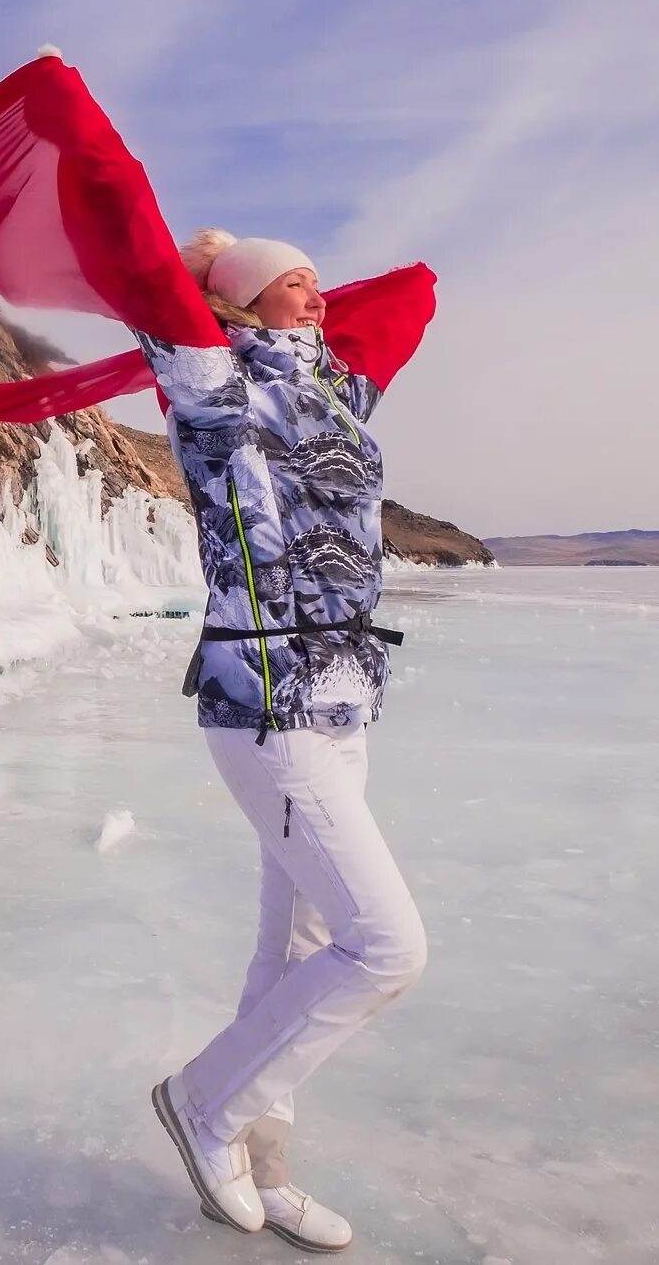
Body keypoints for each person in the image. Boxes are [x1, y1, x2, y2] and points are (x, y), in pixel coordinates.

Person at [132, 229, 429, 1254]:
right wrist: (195, 261)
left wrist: (375, 295)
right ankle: (203, 1105)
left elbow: (412, 301)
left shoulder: (340, 396)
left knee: (300, 946)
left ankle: (265, 1163)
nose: (317, 297)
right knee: (386, 945)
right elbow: (149, 288)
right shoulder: (210, 387)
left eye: (317, 282)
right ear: (247, 303)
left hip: (345, 697)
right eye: (293, 284)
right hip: (264, 696)